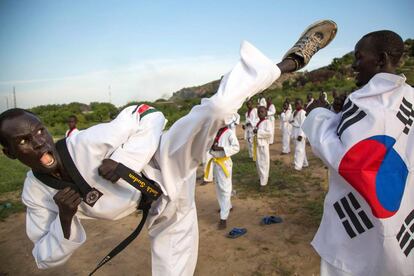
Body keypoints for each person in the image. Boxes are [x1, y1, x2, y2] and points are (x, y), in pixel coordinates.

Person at [0, 19, 337, 275]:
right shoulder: (36, 193)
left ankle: (291, 61)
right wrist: (65, 217)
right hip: (161, 210)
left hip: (166, 158)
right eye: (24, 142)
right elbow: (43, 257)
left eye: (40, 130)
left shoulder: (86, 142)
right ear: (10, 154)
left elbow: (147, 113)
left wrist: (123, 161)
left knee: (218, 109)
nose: (40, 141)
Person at [303, 30, 413, 275]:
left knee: (358, 261)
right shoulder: (411, 99)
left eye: (359, 57)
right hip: (403, 211)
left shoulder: (364, 101)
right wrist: (340, 115)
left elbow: (349, 162)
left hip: (359, 226)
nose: (353, 65)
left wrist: (319, 114)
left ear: (381, 59)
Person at [205, 126, 240, 229]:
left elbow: (236, 147)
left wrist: (221, 148)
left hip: (224, 162)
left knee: (225, 189)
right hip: (216, 163)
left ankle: (223, 218)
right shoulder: (214, 131)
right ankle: (227, 206)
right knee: (219, 187)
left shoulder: (229, 132)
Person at [254, 106, 272, 189]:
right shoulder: (258, 122)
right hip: (257, 144)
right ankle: (262, 177)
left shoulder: (267, 122)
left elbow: (269, 134)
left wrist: (258, 132)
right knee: (258, 162)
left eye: (262, 112)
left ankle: (263, 182)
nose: (260, 113)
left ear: (266, 113)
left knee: (263, 163)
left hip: (263, 145)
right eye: (259, 112)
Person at [290, 98, 308, 170]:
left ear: (302, 104)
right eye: (296, 104)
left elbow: (303, 124)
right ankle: (304, 163)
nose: (297, 105)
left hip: (300, 131)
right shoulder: (294, 111)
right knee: (299, 148)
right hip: (294, 130)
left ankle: (298, 166)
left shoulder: (303, 112)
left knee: (299, 149)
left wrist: (301, 135)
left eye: (298, 103)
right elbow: (290, 120)